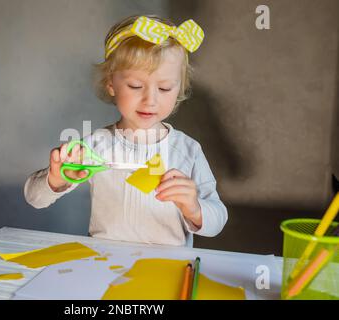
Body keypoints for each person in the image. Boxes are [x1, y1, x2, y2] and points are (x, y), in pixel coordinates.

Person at [24, 14, 227, 247]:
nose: (150, 100)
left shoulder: (187, 150)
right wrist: (56, 179)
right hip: (104, 264)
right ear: (111, 84)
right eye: (136, 86)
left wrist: (195, 208)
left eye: (164, 88)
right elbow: (34, 198)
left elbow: (218, 220)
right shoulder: (95, 146)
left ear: (179, 88)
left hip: (168, 268)